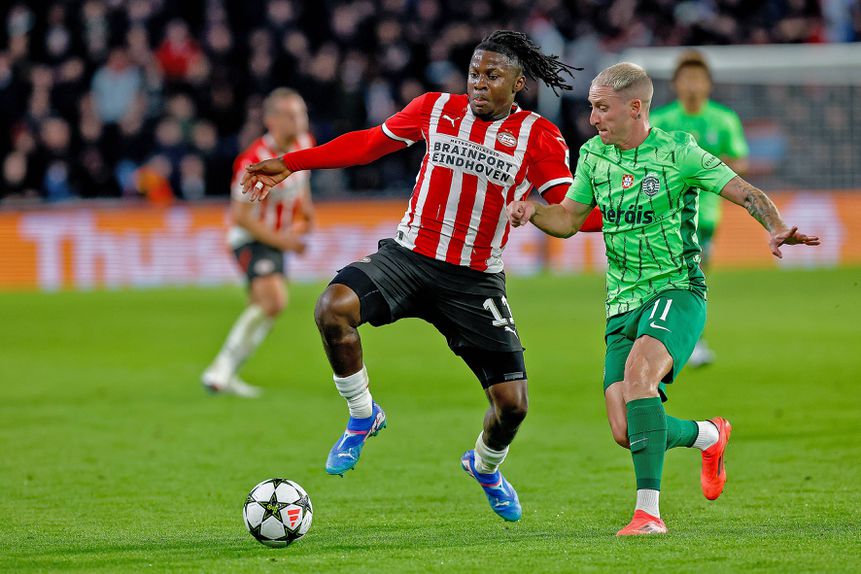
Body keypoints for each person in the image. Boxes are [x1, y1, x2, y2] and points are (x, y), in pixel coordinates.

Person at [241, 31, 597, 521]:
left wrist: (609, 214)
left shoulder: (539, 136)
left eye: (492, 75)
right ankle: (362, 414)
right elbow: (367, 145)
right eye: (474, 73)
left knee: (512, 406)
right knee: (332, 308)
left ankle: (485, 467)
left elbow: (570, 215)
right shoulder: (435, 109)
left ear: (518, 84)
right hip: (408, 259)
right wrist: (290, 163)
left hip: (474, 281)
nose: (478, 83)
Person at [506, 63, 819, 535]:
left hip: (677, 289)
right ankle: (709, 435)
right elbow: (568, 220)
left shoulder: (679, 152)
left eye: (602, 108)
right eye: (591, 107)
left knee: (640, 376)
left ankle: (648, 514)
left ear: (635, 108)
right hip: (621, 303)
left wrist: (775, 226)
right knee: (626, 431)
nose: (592, 118)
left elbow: (745, 192)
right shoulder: (593, 156)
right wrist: (533, 211)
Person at [201, 88, 313, 397]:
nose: (300, 121)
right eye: (291, 115)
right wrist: (285, 242)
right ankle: (220, 369)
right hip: (250, 239)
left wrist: (307, 212)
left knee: (265, 308)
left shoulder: (305, 143)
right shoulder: (252, 161)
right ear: (271, 120)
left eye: (302, 113)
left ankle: (227, 373)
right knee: (274, 301)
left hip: (275, 239)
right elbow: (241, 217)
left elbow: (302, 183)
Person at [651, 50, 749, 367]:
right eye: (686, 78)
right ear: (676, 84)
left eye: (698, 78)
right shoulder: (661, 121)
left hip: (704, 214)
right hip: (665, 212)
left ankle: (683, 340)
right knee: (677, 279)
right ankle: (682, 341)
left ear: (708, 84)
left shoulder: (723, 119)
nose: (692, 84)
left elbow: (740, 161)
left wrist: (705, 168)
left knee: (690, 278)